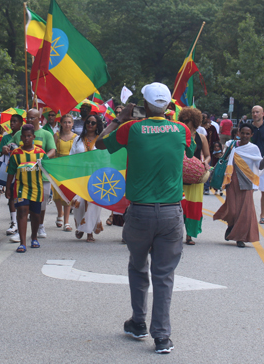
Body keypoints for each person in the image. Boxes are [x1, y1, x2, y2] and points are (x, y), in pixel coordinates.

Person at [95, 82, 195, 354]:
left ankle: (138, 322)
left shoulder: (131, 129)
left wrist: (119, 118)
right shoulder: (181, 130)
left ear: (146, 104)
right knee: (164, 275)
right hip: (171, 213)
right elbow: (192, 152)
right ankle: (162, 336)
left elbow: (100, 142)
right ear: (167, 105)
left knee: (138, 267)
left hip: (139, 211)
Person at [213, 124, 264, 247]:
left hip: (246, 182)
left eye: (248, 134)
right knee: (233, 210)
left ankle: (240, 238)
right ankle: (231, 226)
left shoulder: (254, 148)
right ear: (238, 133)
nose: (245, 136)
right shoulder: (231, 145)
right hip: (231, 180)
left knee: (244, 213)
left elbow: (260, 166)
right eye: (243, 133)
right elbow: (224, 159)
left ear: (251, 135)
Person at [10, 108, 56, 239]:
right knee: (22, 207)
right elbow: (11, 143)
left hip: (41, 176)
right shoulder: (20, 133)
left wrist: (43, 159)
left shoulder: (46, 134)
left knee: (41, 204)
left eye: (32, 118)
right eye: (28, 118)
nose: (29, 120)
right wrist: (7, 147)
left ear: (39, 118)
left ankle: (39, 226)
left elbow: (53, 149)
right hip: (22, 178)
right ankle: (21, 232)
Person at [5, 124, 47, 253]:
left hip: (37, 188)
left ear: (33, 137)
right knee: (22, 211)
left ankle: (34, 237)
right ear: (21, 137)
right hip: (21, 187)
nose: (27, 138)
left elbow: (49, 169)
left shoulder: (40, 153)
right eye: (24, 136)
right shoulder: (16, 153)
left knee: (35, 214)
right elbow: (11, 172)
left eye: (29, 136)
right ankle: (22, 243)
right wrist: (7, 188)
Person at [178, 107, 210, 245]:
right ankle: (176, 233)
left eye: (187, 121)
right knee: (179, 205)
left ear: (194, 121)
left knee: (193, 207)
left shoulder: (201, 137)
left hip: (195, 178)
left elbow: (208, 155)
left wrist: (205, 162)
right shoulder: (177, 134)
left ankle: (190, 235)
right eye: (182, 120)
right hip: (179, 177)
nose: (184, 122)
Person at [70, 114, 104, 242]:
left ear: (97, 126)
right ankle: (80, 226)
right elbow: (71, 156)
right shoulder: (77, 140)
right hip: (80, 175)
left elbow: (105, 157)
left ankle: (89, 231)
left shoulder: (101, 140)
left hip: (96, 175)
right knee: (79, 203)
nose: (90, 124)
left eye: (93, 123)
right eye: (88, 122)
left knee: (93, 203)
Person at [52, 114, 77, 231]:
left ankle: (67, 222)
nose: (67, 124)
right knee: (57, 195)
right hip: (58, 168)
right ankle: (59, 214)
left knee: (67, 195)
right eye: (65, 122)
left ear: (72, 124)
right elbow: (52, 151)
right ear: (61, 123)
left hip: (70, 169)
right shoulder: (56, 136)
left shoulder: (76, 137)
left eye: (69, 122)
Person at [0, 114, 24, 236]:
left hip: (24, 171)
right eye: (11, 121)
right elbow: (4, 149)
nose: (12, 123)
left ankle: (22, 222)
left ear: (21, 123)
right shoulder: (10, 137)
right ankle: (14, 222)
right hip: (12, 169)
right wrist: (5, 148)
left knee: (21, 198)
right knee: (11, 194)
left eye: (15, 121)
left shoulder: (24, 134)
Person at [202, 112, 219, 195]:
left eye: (204, 117)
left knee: (207, 168)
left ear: (208, 119)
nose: (203, 119)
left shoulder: (212, 128)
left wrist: (217, 150)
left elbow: (216, 140)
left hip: (208, 152)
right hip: (198, 151)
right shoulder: (197, 127)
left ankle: (206, 187)